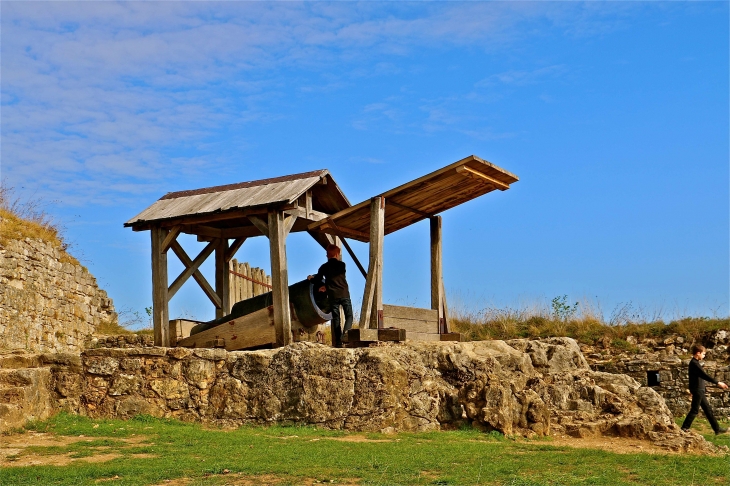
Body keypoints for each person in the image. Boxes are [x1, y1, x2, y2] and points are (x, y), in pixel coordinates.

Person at [308, 244, 353, 348]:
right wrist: (327, 285)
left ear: (327, 255)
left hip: (333, 295)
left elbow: (317, 279)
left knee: (336, 318)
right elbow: (336, 278)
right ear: (337, 254)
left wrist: (311, 278)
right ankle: (345, 334)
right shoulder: (342, 265)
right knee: (349, 315)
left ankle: (338, 342)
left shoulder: (323, 267)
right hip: (344, 293)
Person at [681, 344, 728, 434]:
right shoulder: (694, 363)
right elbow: (704, 375)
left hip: (699, 390)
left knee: (707, 409)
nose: (704, 356)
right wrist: (718, 383)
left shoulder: (695, 363)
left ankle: (717, 429)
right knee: (695, 410)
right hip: (698, 390)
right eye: (703, 354)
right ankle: (684, 427)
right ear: (698, 353)